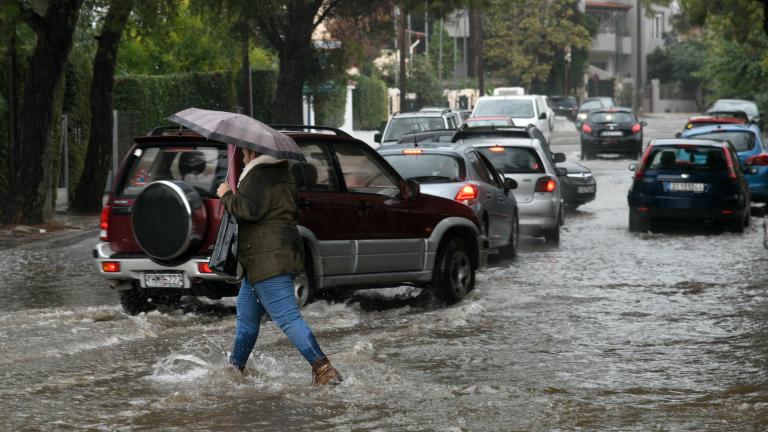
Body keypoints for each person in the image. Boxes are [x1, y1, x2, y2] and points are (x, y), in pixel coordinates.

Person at [216, 147, 342, 385]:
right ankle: (235, 371)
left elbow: (249, 210)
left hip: (267, 258)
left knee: (287, 317)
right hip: (268, 257)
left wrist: (226, 195)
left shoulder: (259, 174)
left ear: (253, 153)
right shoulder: (282, 173)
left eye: (244, 154)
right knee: (246, 321)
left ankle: (324, 369)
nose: (242, 158)